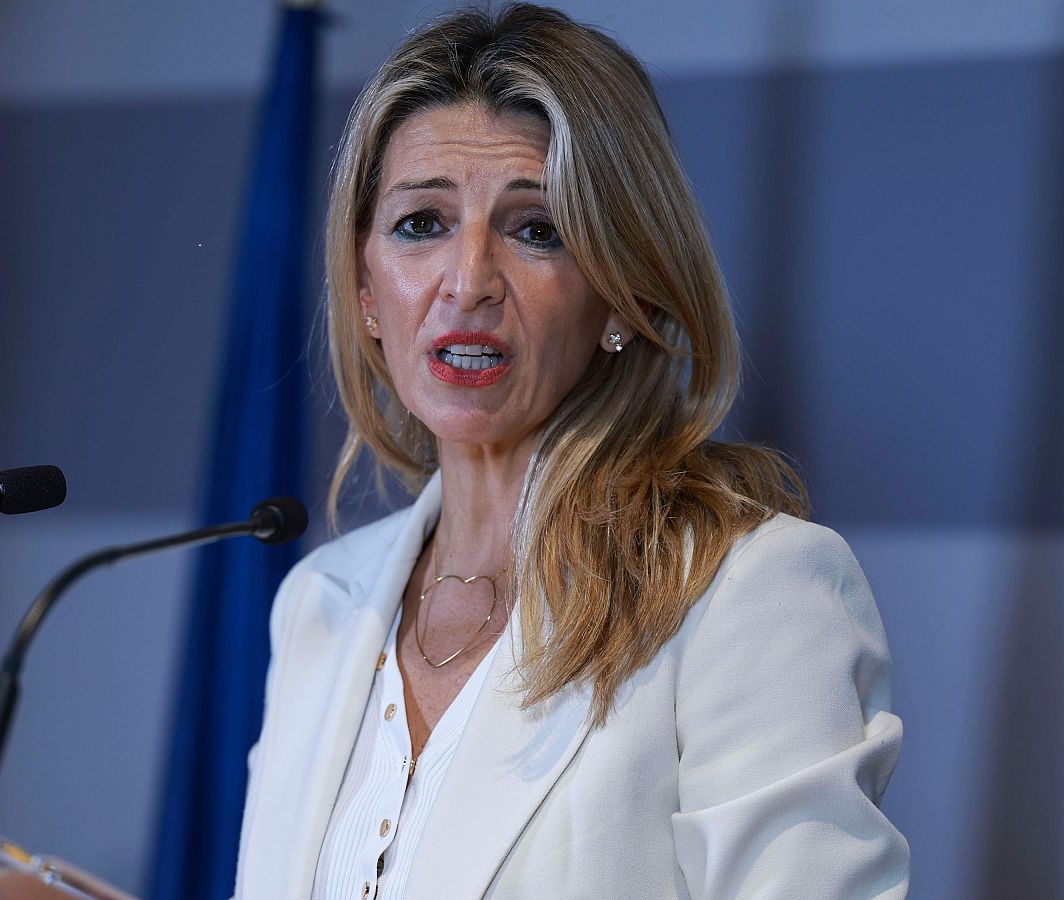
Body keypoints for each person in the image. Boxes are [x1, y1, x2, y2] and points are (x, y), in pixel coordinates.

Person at [232, 5, 909, 898]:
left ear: (623, 294)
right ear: (364, 289)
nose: (468, 281)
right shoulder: (318, 606)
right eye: (422, 223)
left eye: (536, 229)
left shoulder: (750, 593)